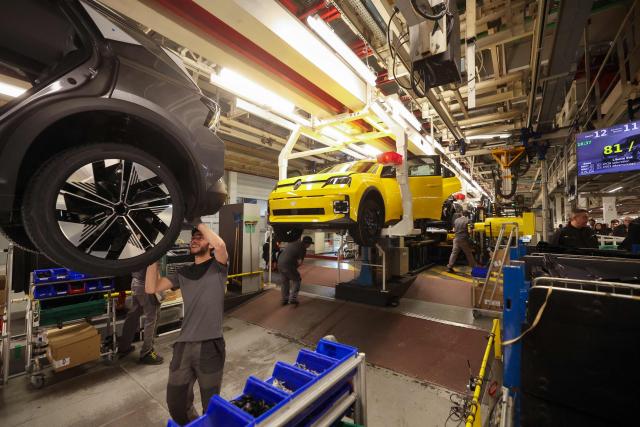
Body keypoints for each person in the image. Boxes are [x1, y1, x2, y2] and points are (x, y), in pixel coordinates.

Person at [145, 220, 228, 425]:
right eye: (192, 238)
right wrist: (152, 257)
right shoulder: (183, 273)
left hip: (211, 345)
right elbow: (151, 287)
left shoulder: (218, 267)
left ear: (208, 243)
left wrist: (197, 222)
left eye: (199, 237)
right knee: (176, 403)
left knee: (211, 403)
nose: (194, 240)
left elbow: (220, 246)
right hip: (183, 345)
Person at [117, 268, 163, 364]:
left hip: (136, 282)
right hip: (146, 285)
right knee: (152, 317)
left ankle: (124, 347)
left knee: (133, 315)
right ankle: (147, 353)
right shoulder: (150, 252)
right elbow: (153, 269)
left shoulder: (137, 251)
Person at [277, 236, 313, 306]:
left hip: (280, 263)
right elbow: (300, 262)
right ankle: (293, 299)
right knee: (297, 280)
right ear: (307, 244)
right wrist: (294, 268)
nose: (309, 245)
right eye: (310, 244)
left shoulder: (294, 243)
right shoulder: (303, 248)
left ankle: (285, 299)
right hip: (288, 265)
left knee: (285, 282)